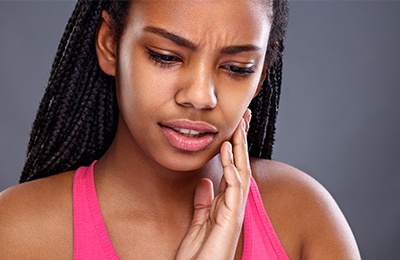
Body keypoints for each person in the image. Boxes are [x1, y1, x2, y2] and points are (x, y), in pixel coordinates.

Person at [0, 0, 361, 259]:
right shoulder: (17, 233)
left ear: (262, 73)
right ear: (111, 44)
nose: (200, 97)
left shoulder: (303, 218)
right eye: (166, 56)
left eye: (237, 68)